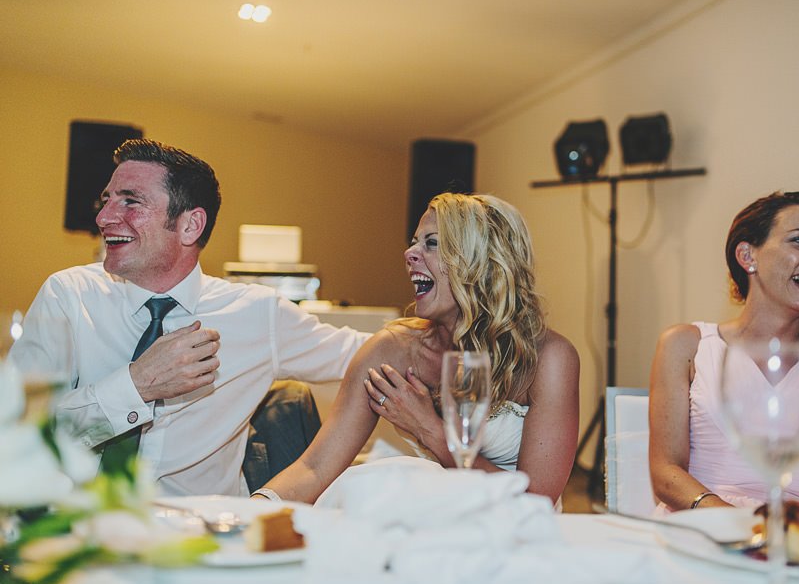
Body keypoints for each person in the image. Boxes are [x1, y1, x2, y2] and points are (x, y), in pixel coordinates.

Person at [10, 139, 369, 497]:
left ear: (190, 226)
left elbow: (370, 354)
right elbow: (14, 434)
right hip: (77, 535)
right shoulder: (69, 296)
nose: (103, 217)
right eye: (107, 200)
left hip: (203, 541)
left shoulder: (258, 313)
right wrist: (136, 386)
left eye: (130, 201)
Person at [257, 193, 580, 505]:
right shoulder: (392, 349)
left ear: (481, 261)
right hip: (420, 517)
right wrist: (251, 510)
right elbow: (313, 469)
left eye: (432, 243)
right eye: (414, 241)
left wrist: (430, 430)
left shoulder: (549, 358)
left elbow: (535, 501)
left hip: (511, 532)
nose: (410, 253)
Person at [649, 191, 799, 512]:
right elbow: (665, 471)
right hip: (703, 533)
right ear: (748, 256)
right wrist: (739, 525)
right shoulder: (686, 345)